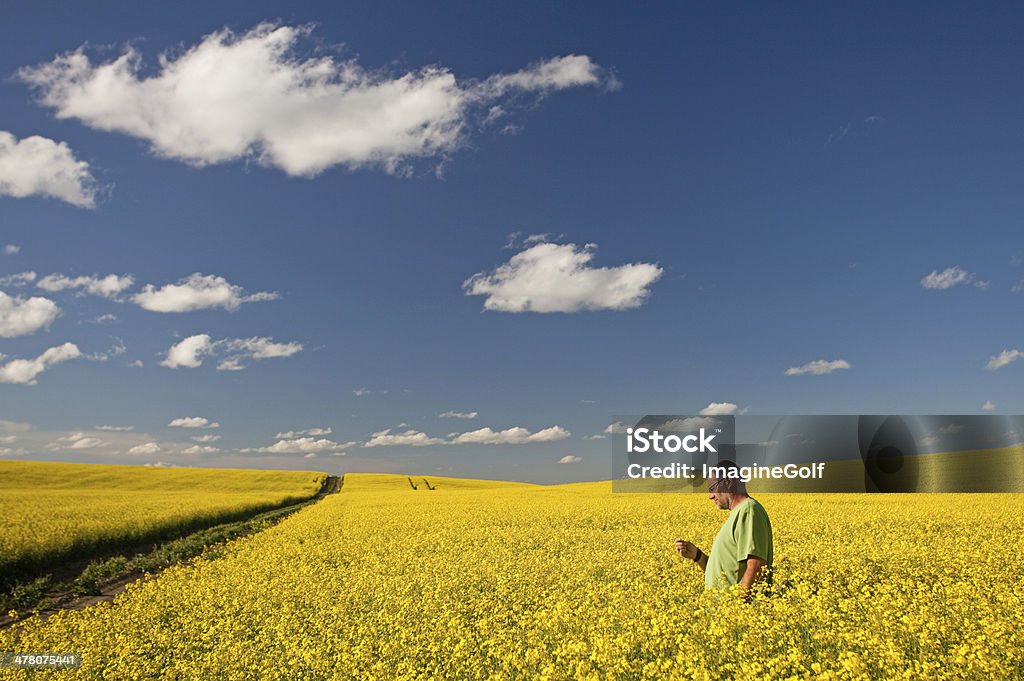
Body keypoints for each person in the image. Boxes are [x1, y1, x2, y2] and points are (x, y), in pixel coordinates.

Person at [674, 459, 773, 596]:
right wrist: (697, 556)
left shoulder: (748, 511)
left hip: (737, 614)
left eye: (712, 488)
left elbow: (756, 567)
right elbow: (724, 574)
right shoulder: (738, 513)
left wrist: (737, 607)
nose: (711, 496)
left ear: (728, 482)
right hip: (723, 614)